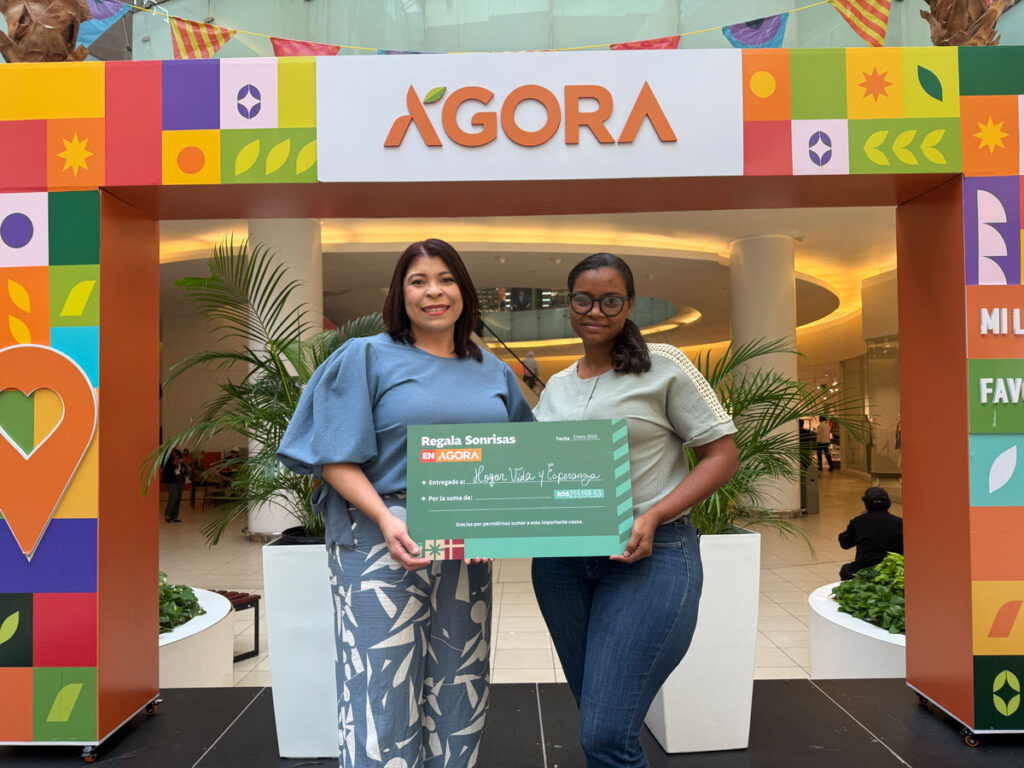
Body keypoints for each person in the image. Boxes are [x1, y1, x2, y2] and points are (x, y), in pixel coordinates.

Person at [277, 238, 533, 768]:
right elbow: (333, 457)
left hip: (465, 546)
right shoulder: (366, 356)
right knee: (380, 689)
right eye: (419, 281)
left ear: (464, 291)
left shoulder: (493, 370)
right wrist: (383, 516)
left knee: (461, 684)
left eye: (445, 279)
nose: (433, 292)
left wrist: (500, 521)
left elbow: (519, 458)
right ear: (401, 293)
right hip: (379, 537)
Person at [531, 253, 739, 768]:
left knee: (604, 734)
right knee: (602, 724)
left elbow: (722, 456)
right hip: (561, 566)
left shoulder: (664, 365)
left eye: (610, 300)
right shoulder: (557, 387)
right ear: (569, 304)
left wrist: (653, 516)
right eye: (584, 299)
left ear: (628, 305)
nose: (595, 311)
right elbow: (538, 472)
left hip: (651, 554)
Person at [838, 487, 903, 580]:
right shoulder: (899, 523)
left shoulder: (859, 522)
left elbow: (845, 543)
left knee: (845, 570)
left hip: (864, 570)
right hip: (892, 570)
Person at [162, 448, 184, 523]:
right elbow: (165, 467)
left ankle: (174, 516)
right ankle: (167, 515)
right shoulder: (165, 455)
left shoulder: (178, 452)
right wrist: (175, 462)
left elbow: (181, 462)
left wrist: (180, 461)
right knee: (174, 495)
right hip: (169, 478)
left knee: (178, 496)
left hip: (179, 477)